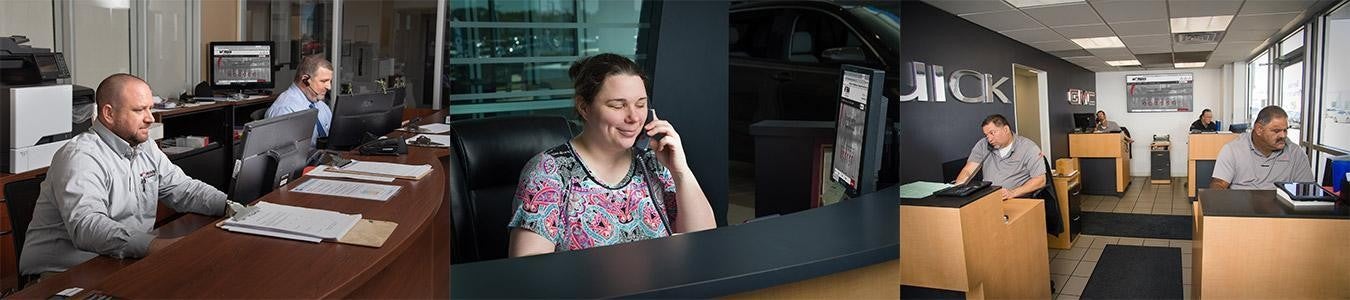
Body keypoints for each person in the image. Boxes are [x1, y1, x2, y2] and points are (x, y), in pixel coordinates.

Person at [20, 74, 230, 280]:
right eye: (139, 110)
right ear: (109, 114)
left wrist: (231, 207)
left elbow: (183, 189)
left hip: (120, 259)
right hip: (63, 274)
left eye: (150, 107)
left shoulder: (144, 146)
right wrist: (153, 245)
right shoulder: (81, 157)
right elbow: (87, 226)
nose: (149, 118)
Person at [507, 54, 716, 257]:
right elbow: (529, 270)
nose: (634, 117)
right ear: (584, 107)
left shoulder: (652, 161)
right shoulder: (549, 172)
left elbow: (704, 243)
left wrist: (680, 172)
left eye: (641, 104)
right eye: (618, 105)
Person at [1211, 106, 1314, 189]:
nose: (1283, 136)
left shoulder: (1296, 153)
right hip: (1243, 208)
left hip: (1282, 211)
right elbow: (1218, 184)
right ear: (1259, 129)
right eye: (1276, 131)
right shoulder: (1232, 149)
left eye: (1285, 130)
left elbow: (1306, 190)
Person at [953, 114, 1047, 200]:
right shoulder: (982, 145)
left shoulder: (1028, 148)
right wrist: (957, 190)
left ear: (1006, 129)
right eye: (986, 135)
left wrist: (1012, 193)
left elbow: (1040, 180)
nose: (989, 139)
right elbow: (968, 171)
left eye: (992, 133)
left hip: (1016, 199)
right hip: (989, 198)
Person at [265, 55, 333, 145]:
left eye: (330, 81)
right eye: (324, 81)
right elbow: (287, 154)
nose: (329, 87)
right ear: (305, 80)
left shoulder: (322, 106)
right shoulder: (284, 110)